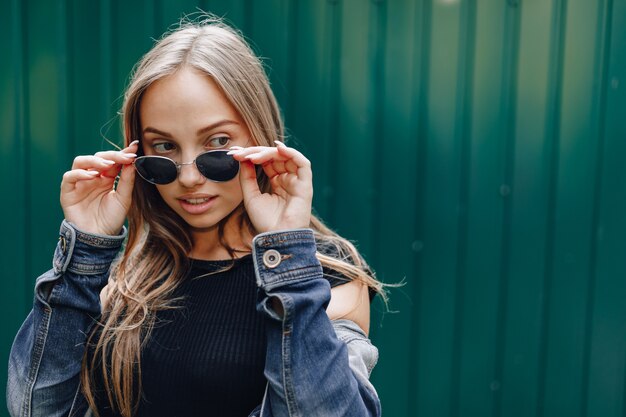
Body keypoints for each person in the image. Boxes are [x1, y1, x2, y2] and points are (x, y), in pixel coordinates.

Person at [7, 16, 385, 417]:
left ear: (259, 137)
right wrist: (84, 252)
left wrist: (289, 257)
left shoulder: (326, 279)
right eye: (165, 146)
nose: (188, 177)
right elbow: (36, 410)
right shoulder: (122, 278)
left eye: (218, 143)